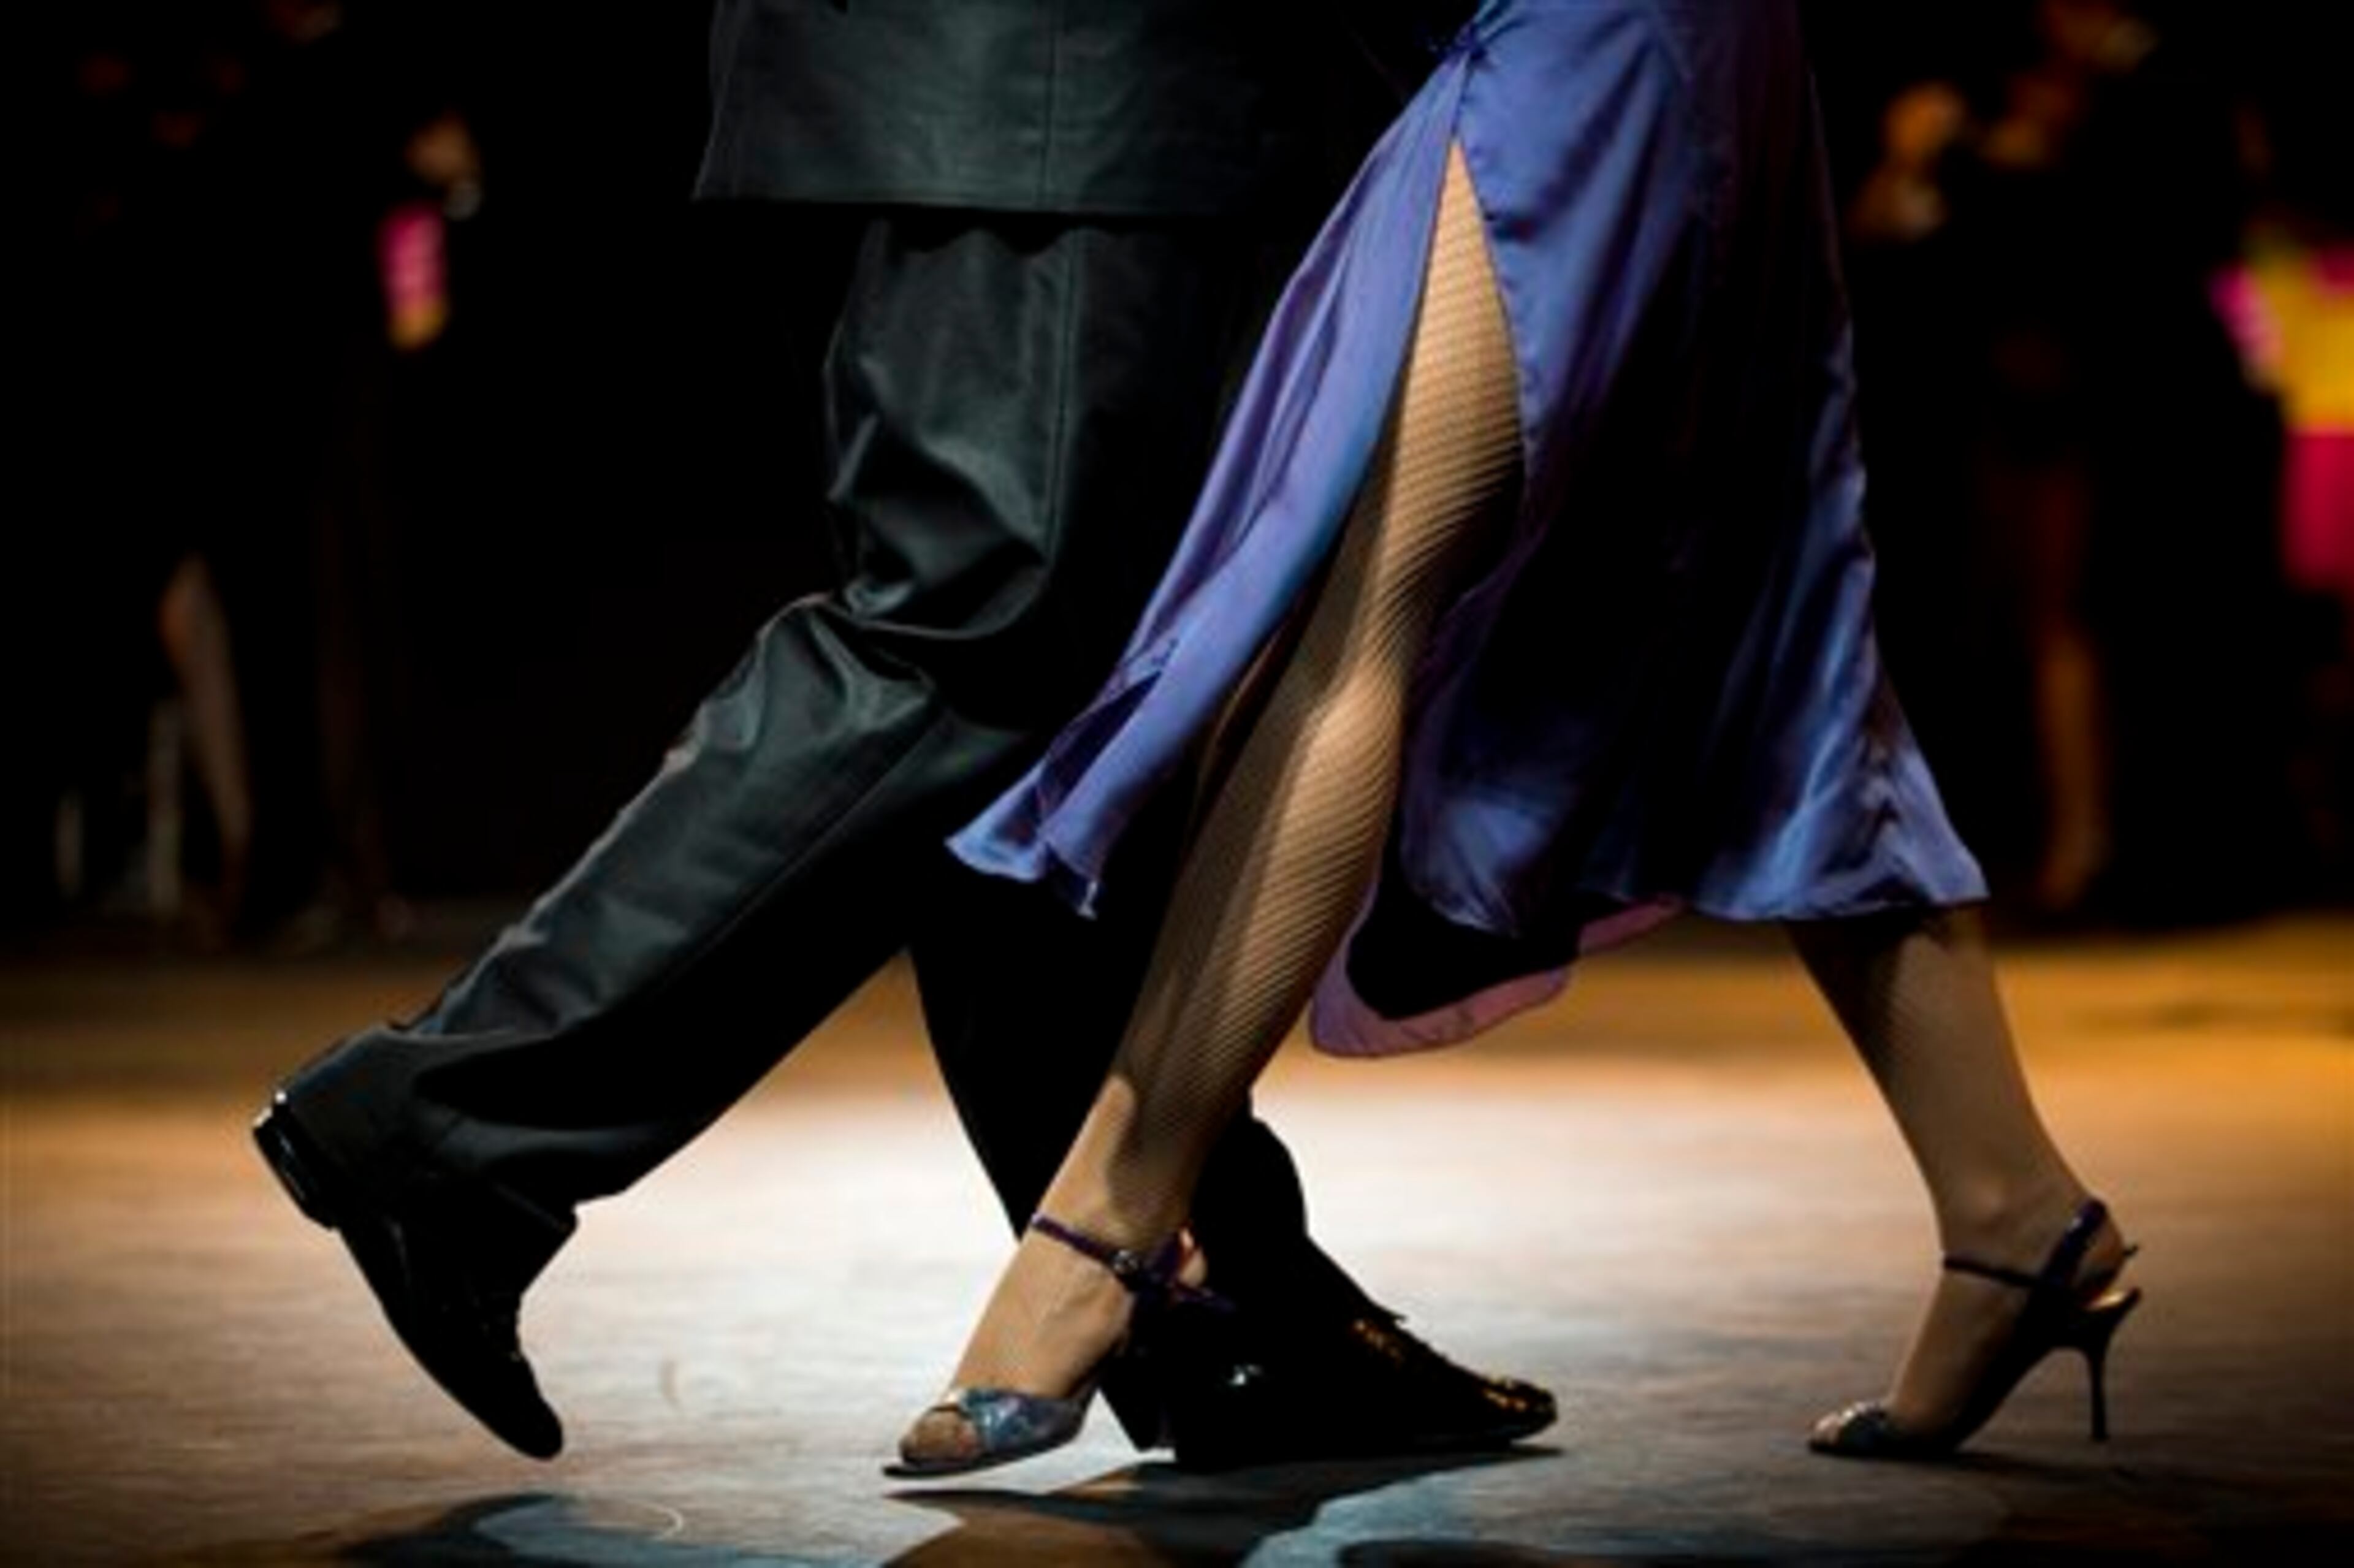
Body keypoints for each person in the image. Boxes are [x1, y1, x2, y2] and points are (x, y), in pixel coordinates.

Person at [249, 0, 1553, 1468]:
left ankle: (1221, 1304)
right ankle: (444, 1134)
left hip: (1016, 83)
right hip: (1036, 73)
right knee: (987, 632)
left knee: (1056, 697)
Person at [894, 0, 2139, 1476]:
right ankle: (2013, 1211)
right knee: (1775, 632)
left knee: (1366, 596)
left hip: (1592, 28)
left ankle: (1104, 1220)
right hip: (1682, 41)